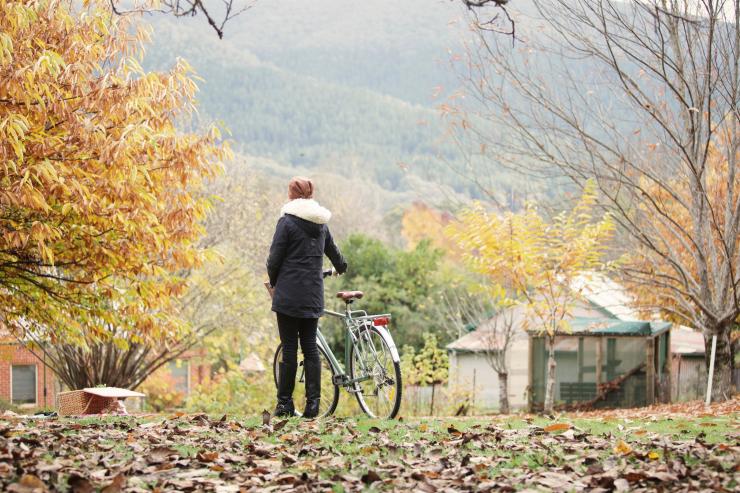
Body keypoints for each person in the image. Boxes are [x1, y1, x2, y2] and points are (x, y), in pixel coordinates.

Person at [266, 177, 347, 418]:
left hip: (288, 294)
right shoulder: (321, 224)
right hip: (313, 294)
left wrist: (274, 280)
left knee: (289, 349)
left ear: (291, 195)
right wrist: (342, 266)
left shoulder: (287, 222)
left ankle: (285, 404)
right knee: (310, 348)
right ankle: (313, 405)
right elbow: (335, 254)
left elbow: (274, 259)